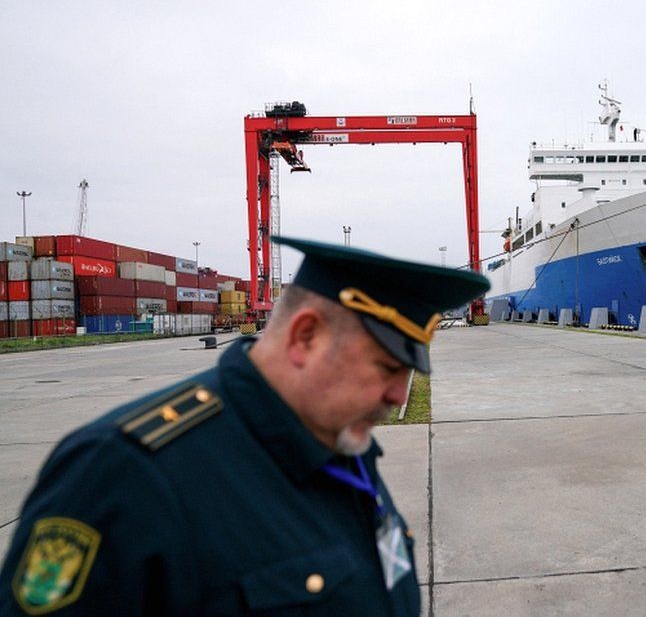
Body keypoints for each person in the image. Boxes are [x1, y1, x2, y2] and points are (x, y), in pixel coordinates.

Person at [0, 236, 489, 615]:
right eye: (387, 368)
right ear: (306, 336)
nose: (398, 396)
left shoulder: (339, 440)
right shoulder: (121, 478)